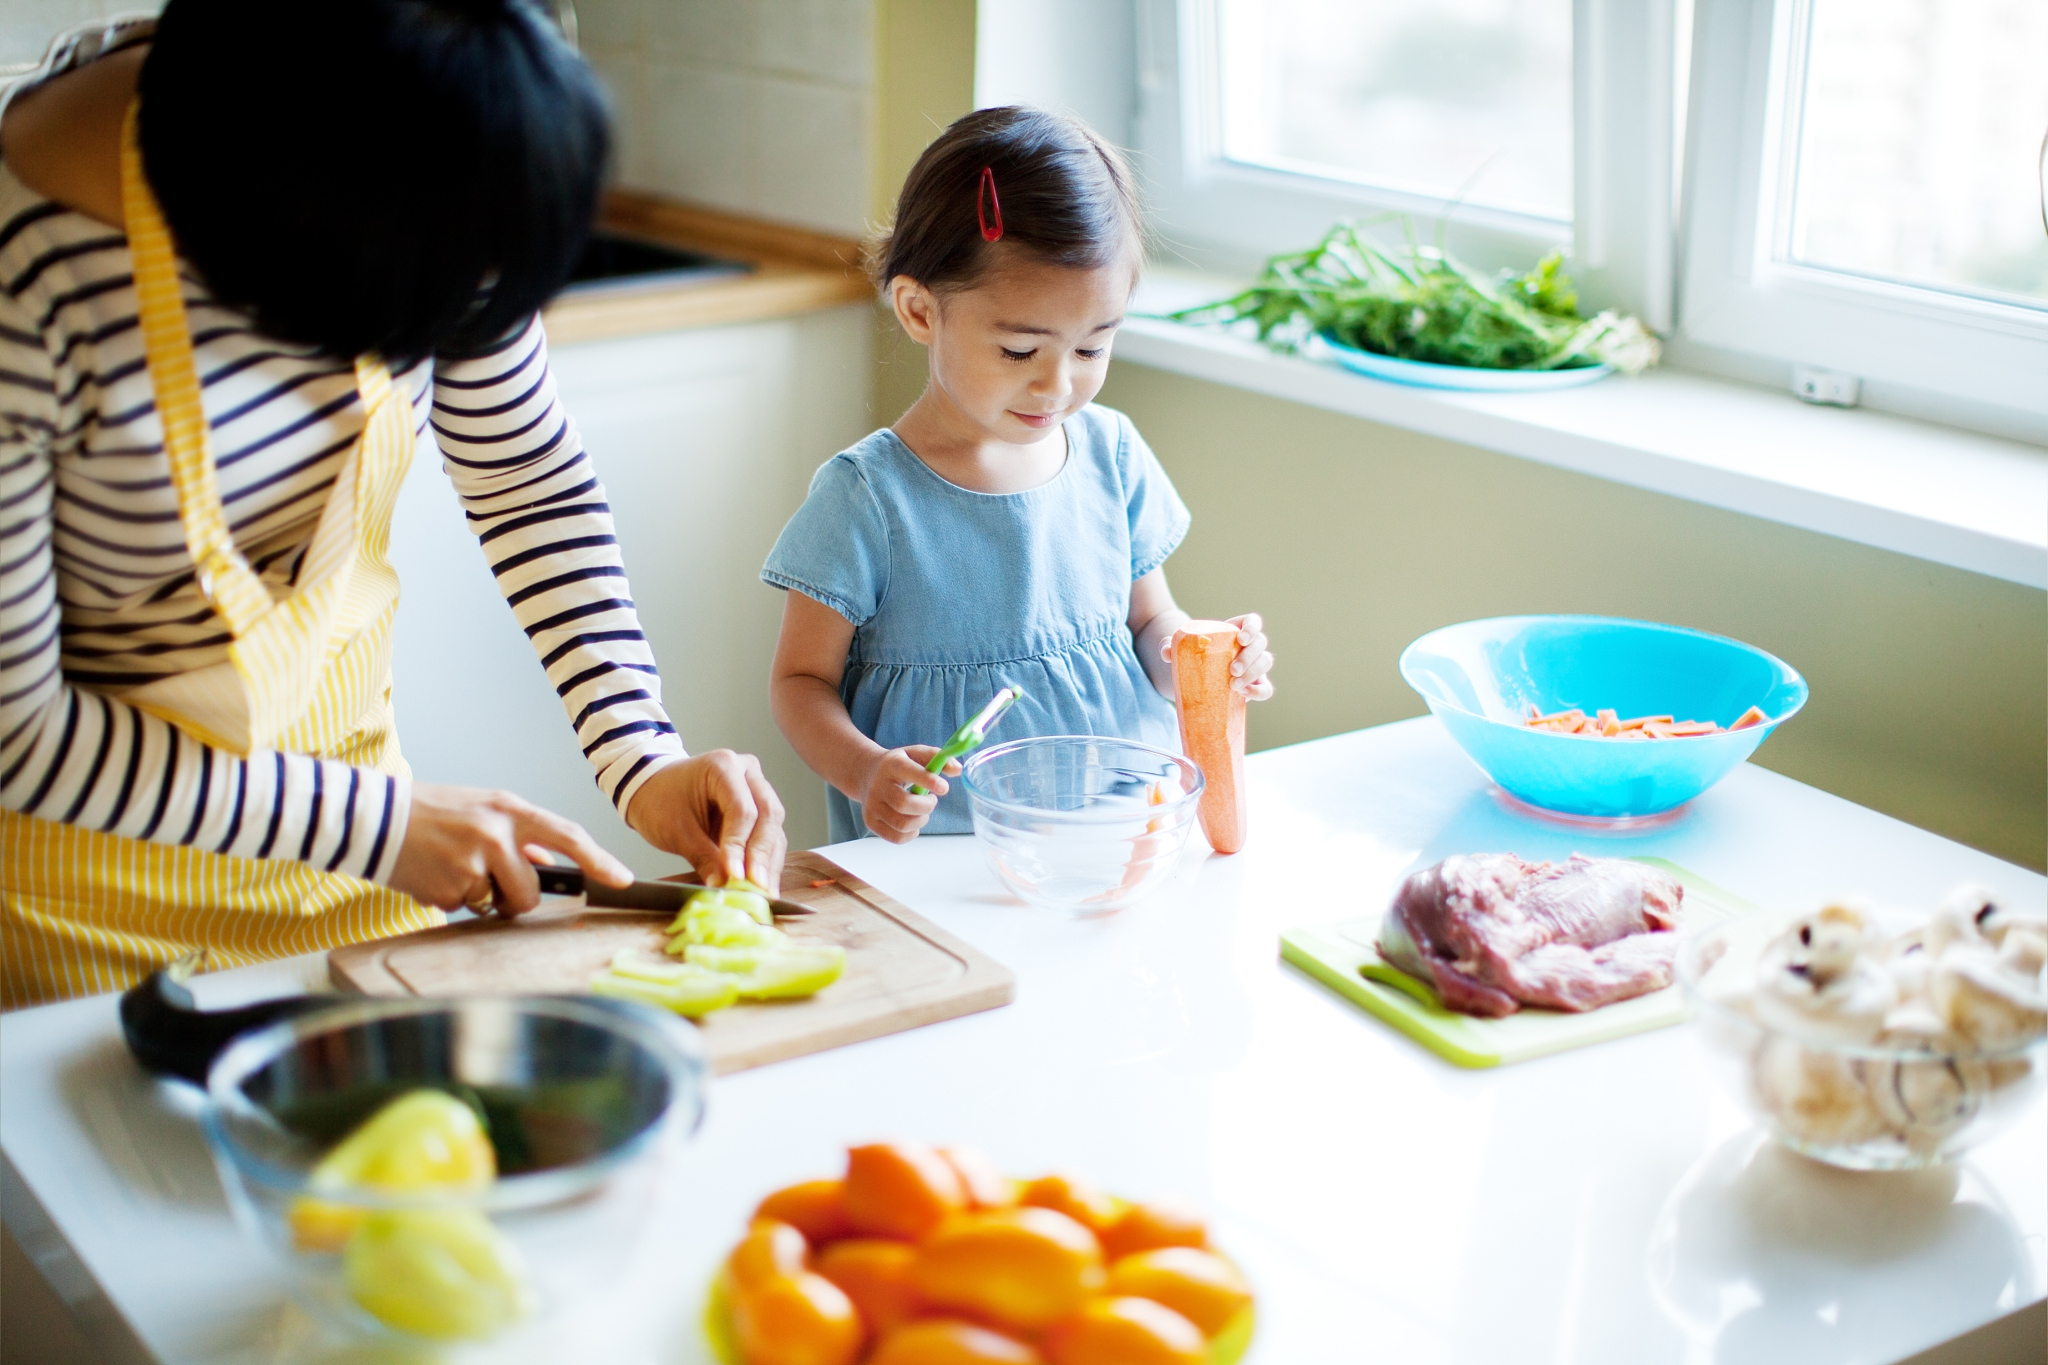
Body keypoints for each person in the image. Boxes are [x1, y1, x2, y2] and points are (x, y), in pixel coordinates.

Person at [0, 0, 785, 1008]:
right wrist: (374, 823)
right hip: (83, 899)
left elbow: (526, 479)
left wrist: (641, 753)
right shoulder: (32, 279)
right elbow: (17, 735)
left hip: (362, 860)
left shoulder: (433, 136)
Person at [763, 106, 1276, 845]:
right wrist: (864, 770)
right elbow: (799, 684)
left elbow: (1149, 626)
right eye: (1018, 351)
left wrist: (1201, 657)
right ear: (918, 310)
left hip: (1122, 828)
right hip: (946, 854)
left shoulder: (1112, 453)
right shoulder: (867, 497)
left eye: (1092, 349)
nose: (1057, 387)